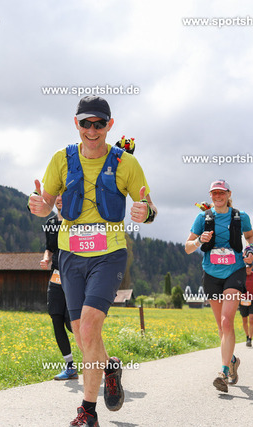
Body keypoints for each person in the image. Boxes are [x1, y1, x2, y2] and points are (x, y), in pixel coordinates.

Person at [29, 96, 157, 427]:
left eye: (99, 124)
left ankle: (88, 411)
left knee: (88, 327)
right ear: (77, 124)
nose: (92, 129)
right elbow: (46, 203)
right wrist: (40, 206)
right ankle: (110, 367)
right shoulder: (61, 159)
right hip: (70, 256)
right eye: (86, 123)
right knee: (81, 334)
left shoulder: (126, 163)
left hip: (108, 255)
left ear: (109, 125)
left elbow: (149, 207)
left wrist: (144, 212)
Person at [185, 179, 253, 393]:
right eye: (214, 193)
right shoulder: (203, 218)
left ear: (228, 194)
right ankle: (232, 361)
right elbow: (188, 247)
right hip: (211, 274)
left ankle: (223, 373)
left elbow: (249, 236)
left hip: (234, 272)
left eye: (221, 192)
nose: (218, 196)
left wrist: (250, 250)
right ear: (210, 195)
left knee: (226, 322)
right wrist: (200, 241)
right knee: (221, 326)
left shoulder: (240, 216)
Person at [41, 195, 77, 380]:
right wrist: (46, 258)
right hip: (56, 276)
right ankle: (70, 367)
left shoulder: (77, 221)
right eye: (57, 195)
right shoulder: (50, 223)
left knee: (74, 323)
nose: (60, 198)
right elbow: (49, 248)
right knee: (56, 318)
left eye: (64, 194)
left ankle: (99, 360)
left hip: (75, 276)